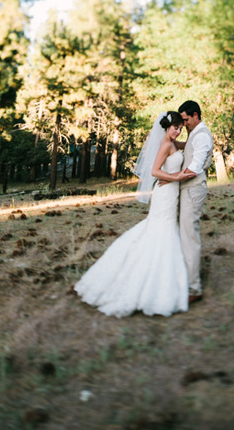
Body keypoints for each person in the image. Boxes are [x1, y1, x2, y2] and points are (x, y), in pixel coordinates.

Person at [74, 111, 191, 318]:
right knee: (160, 230)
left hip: (170, 194)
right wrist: (176, 177)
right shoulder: (165, 144)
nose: (178, 131)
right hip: (165, 195)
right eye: (176, 128)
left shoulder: (173, 143)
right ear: (167, 127)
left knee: (161, 230)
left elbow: (184, 146)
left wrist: (190, 141)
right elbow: (155, 171)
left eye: (181, 128)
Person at [177, 100, 214, 303]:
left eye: (186, 120)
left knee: (190, 236)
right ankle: (185, 279)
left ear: (196, 115)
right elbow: (190, 149)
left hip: (193, 190)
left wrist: (169, 177)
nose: (184, 124)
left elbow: (194, 168)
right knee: (183, 234)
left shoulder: (201, 136)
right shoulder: (195, 135)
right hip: (187, 189)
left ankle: (194, 288)